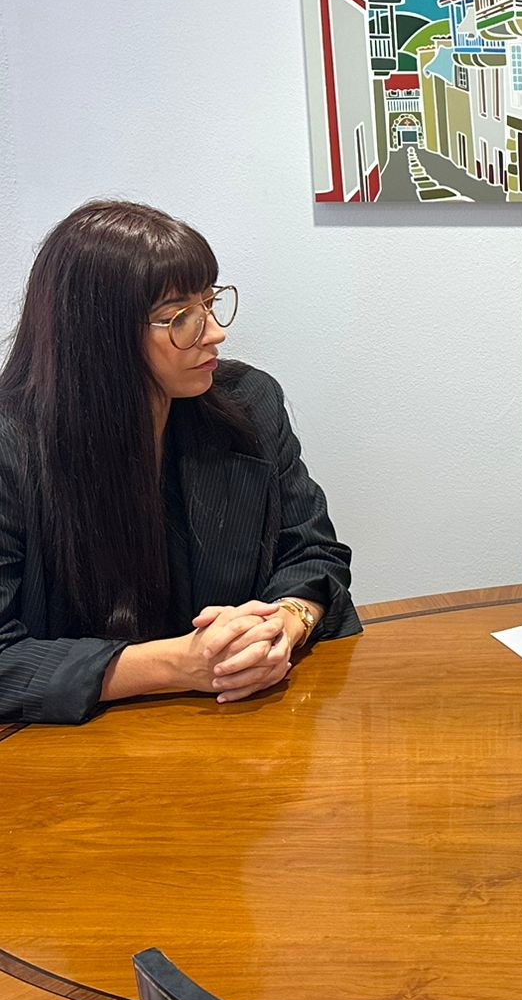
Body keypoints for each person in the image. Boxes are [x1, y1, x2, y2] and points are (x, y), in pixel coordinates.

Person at [0, 201, 360, 725]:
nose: (214, 332)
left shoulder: (248, 403)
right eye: (180, 318)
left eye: (210, 302)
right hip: (70, 748)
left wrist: (282, 624)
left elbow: (313, 552)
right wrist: (176, 665)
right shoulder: (12, 447)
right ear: (97, 335)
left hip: (239, 725)